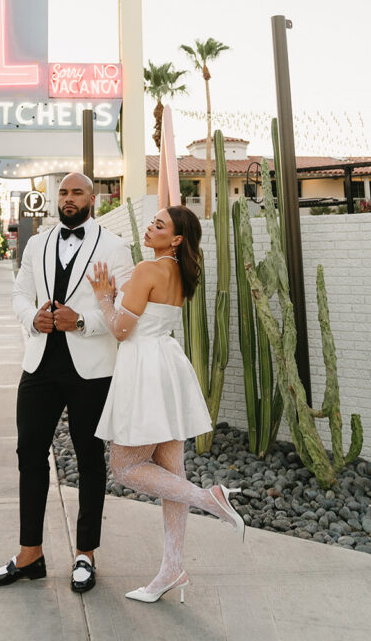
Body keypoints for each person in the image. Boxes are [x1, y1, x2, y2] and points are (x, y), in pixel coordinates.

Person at [0, 172, 134, 594]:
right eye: (63, 192)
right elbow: (18, 294)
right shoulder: (38, 243)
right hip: (40, 365)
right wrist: (32, 317)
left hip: (91, 370)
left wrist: (81, 321)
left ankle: (85, 555)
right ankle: (30, 554)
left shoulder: (115, 247)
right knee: (29, 454)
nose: (69, 198)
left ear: (93, 198)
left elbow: (124, 312)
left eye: (77, 192)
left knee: (89, 457)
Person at [88, 204, 245, 605]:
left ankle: (209, 498)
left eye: (160, 225)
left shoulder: (147, 270)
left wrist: (105, 298)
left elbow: (122, 330)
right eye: (152, 222)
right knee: (171, 470)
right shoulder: (179, 272)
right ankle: (172, 569)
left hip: (143, 367)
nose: (150, 227)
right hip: (168, 365)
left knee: (124, 467)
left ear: (175, 239)